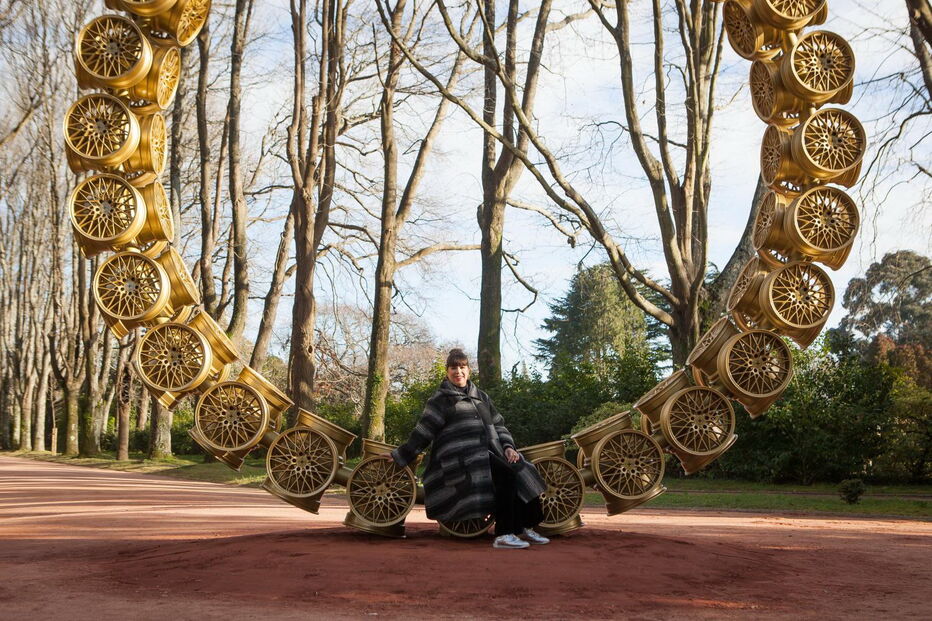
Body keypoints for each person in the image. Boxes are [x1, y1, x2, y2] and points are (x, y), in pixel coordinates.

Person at [383, 348, 549, 549]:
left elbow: (499, 425)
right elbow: (423, 431)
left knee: (521, 468)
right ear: (447, 371)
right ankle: (504, 534)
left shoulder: (481, 396)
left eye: (462, 367)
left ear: (469, 370)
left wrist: (508, 447)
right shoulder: (440, 400)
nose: (458, 372)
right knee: (506, 476)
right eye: (453, 368)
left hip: (490, 453)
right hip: (460, 460)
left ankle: (525, 526)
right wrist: (402, 454)